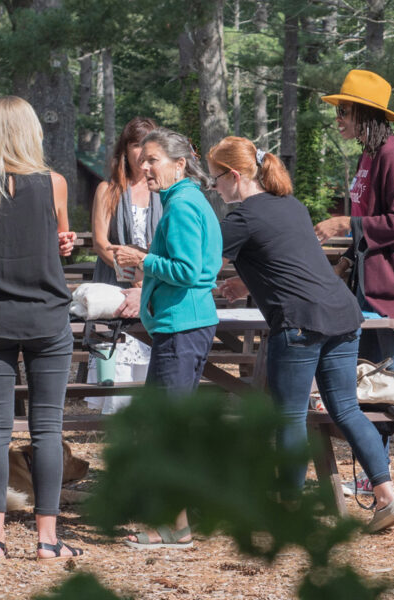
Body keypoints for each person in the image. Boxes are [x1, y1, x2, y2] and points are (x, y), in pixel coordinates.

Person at [210, 136, 394, 532]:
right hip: (342, 315)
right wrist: (244, 285)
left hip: (300, 322)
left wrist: (146, 267)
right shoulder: (291, 206)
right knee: (347, 409)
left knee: (289, 417)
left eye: (214, 180)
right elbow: (290, 258)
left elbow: (199, 264)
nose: (213, 188)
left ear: (234, 176)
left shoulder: (240, 218)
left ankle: (288, 508)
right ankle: (388, 497)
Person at [0, 96, 80, 561]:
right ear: (30, 131)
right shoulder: (54, 183)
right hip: (47, 315)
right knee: (48, 428)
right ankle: (48, 540)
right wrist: (59, 246)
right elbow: (60, 242)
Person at [315, 70, 394, 505]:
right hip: (369, 288)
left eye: (345, 111)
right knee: (371, 382)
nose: (339, 119)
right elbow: (371, 223)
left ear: (367, 114)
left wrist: (343, 223)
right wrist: (348, 258)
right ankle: (377, 474)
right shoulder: (368, 156)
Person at [110, 127, 223, 549]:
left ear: (180, 164)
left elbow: (190, 271)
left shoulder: (181, 206)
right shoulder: (187, 200)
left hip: (182, 325)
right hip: (183, 325)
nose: (144, 167)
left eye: (153, 159)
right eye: (143, 159)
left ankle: (175, 527)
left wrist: (143, 259)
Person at [87, 117, 162, 414]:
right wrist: (132, 277)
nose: (141, 152)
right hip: (116, 284)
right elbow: (101, 243)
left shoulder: (163, 191)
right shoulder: (108, 189)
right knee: (119, 372)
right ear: (125, 149)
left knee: (150, 372)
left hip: (156, 284)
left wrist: (148, 279)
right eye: (135, 145)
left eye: (148, 145)